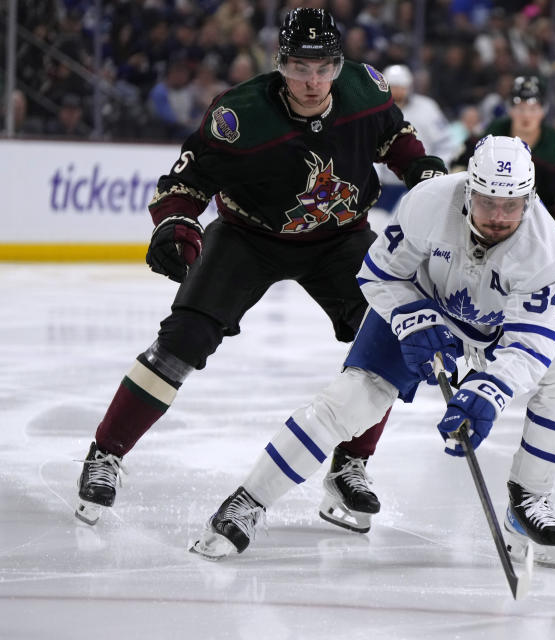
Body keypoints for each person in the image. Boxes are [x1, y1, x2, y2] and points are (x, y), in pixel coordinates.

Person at [74, 8, 448, 534]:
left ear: (339, 65)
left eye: (324, 67)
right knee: (183, 339)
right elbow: (186, 182)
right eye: (300, 67)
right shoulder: (239, 116)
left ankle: (350, 465)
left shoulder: (366, 89)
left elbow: (396, 140)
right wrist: (176, 223)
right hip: (250, 237)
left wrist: (424, 174)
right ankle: (105, 453)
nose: (313, 81)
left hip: (340, 237)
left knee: (387, 337)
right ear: (280, 64)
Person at [190, 136, 555, 569]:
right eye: (486, 203)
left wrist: (488, 391)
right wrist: (412, 318)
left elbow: (530, 343)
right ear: (468, 193)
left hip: (498, 325)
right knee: (351, 399)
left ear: (529, 199)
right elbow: (379, 274)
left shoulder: (547, 249)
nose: (498, 218)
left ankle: (527, 502)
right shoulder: (429, 202)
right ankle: (247, 501)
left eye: (511, 205)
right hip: (422, 302)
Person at [452, 76, 555, 311]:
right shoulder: (487, 138)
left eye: (534, 108)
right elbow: (456, 173)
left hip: (543, 226)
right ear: (510, 109)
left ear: (543, 110)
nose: (527, 115)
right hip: (491, 218)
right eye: (520, 107)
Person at [374, 64, 455, 213]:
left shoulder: (427, 108)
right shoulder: (374, 110)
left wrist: (436, 171)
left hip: (421, 183)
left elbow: (445, 143)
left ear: (409, 86)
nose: (398, 91)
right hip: (386, 187)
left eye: (401, 86)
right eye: (394, 86)